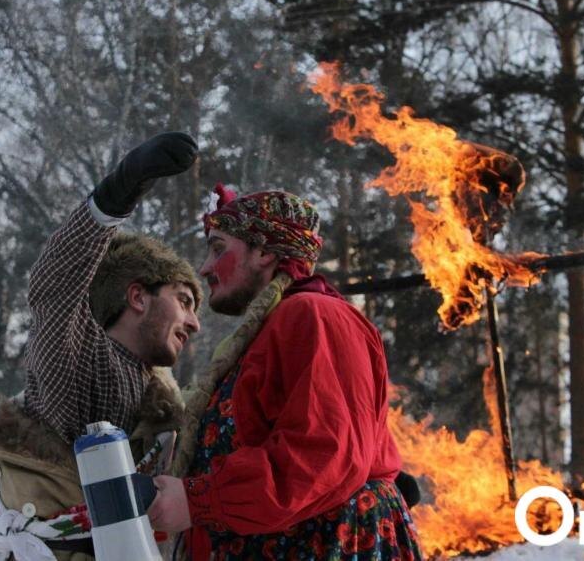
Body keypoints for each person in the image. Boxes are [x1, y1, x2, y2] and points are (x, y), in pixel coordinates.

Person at [148, 185, 425, 560]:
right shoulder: (271, 330)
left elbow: (325, 453)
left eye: (218, 248)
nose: (205, 268)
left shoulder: (314, 314)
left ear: (264, 252)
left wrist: (201, 499)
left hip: (326, 545)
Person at [0, 132, 202, 561]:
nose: (195, 323)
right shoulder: (76, 364)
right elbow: (54, 285)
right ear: (138, 297)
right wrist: (118, 191)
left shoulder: (162, 402)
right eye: (184, 301)